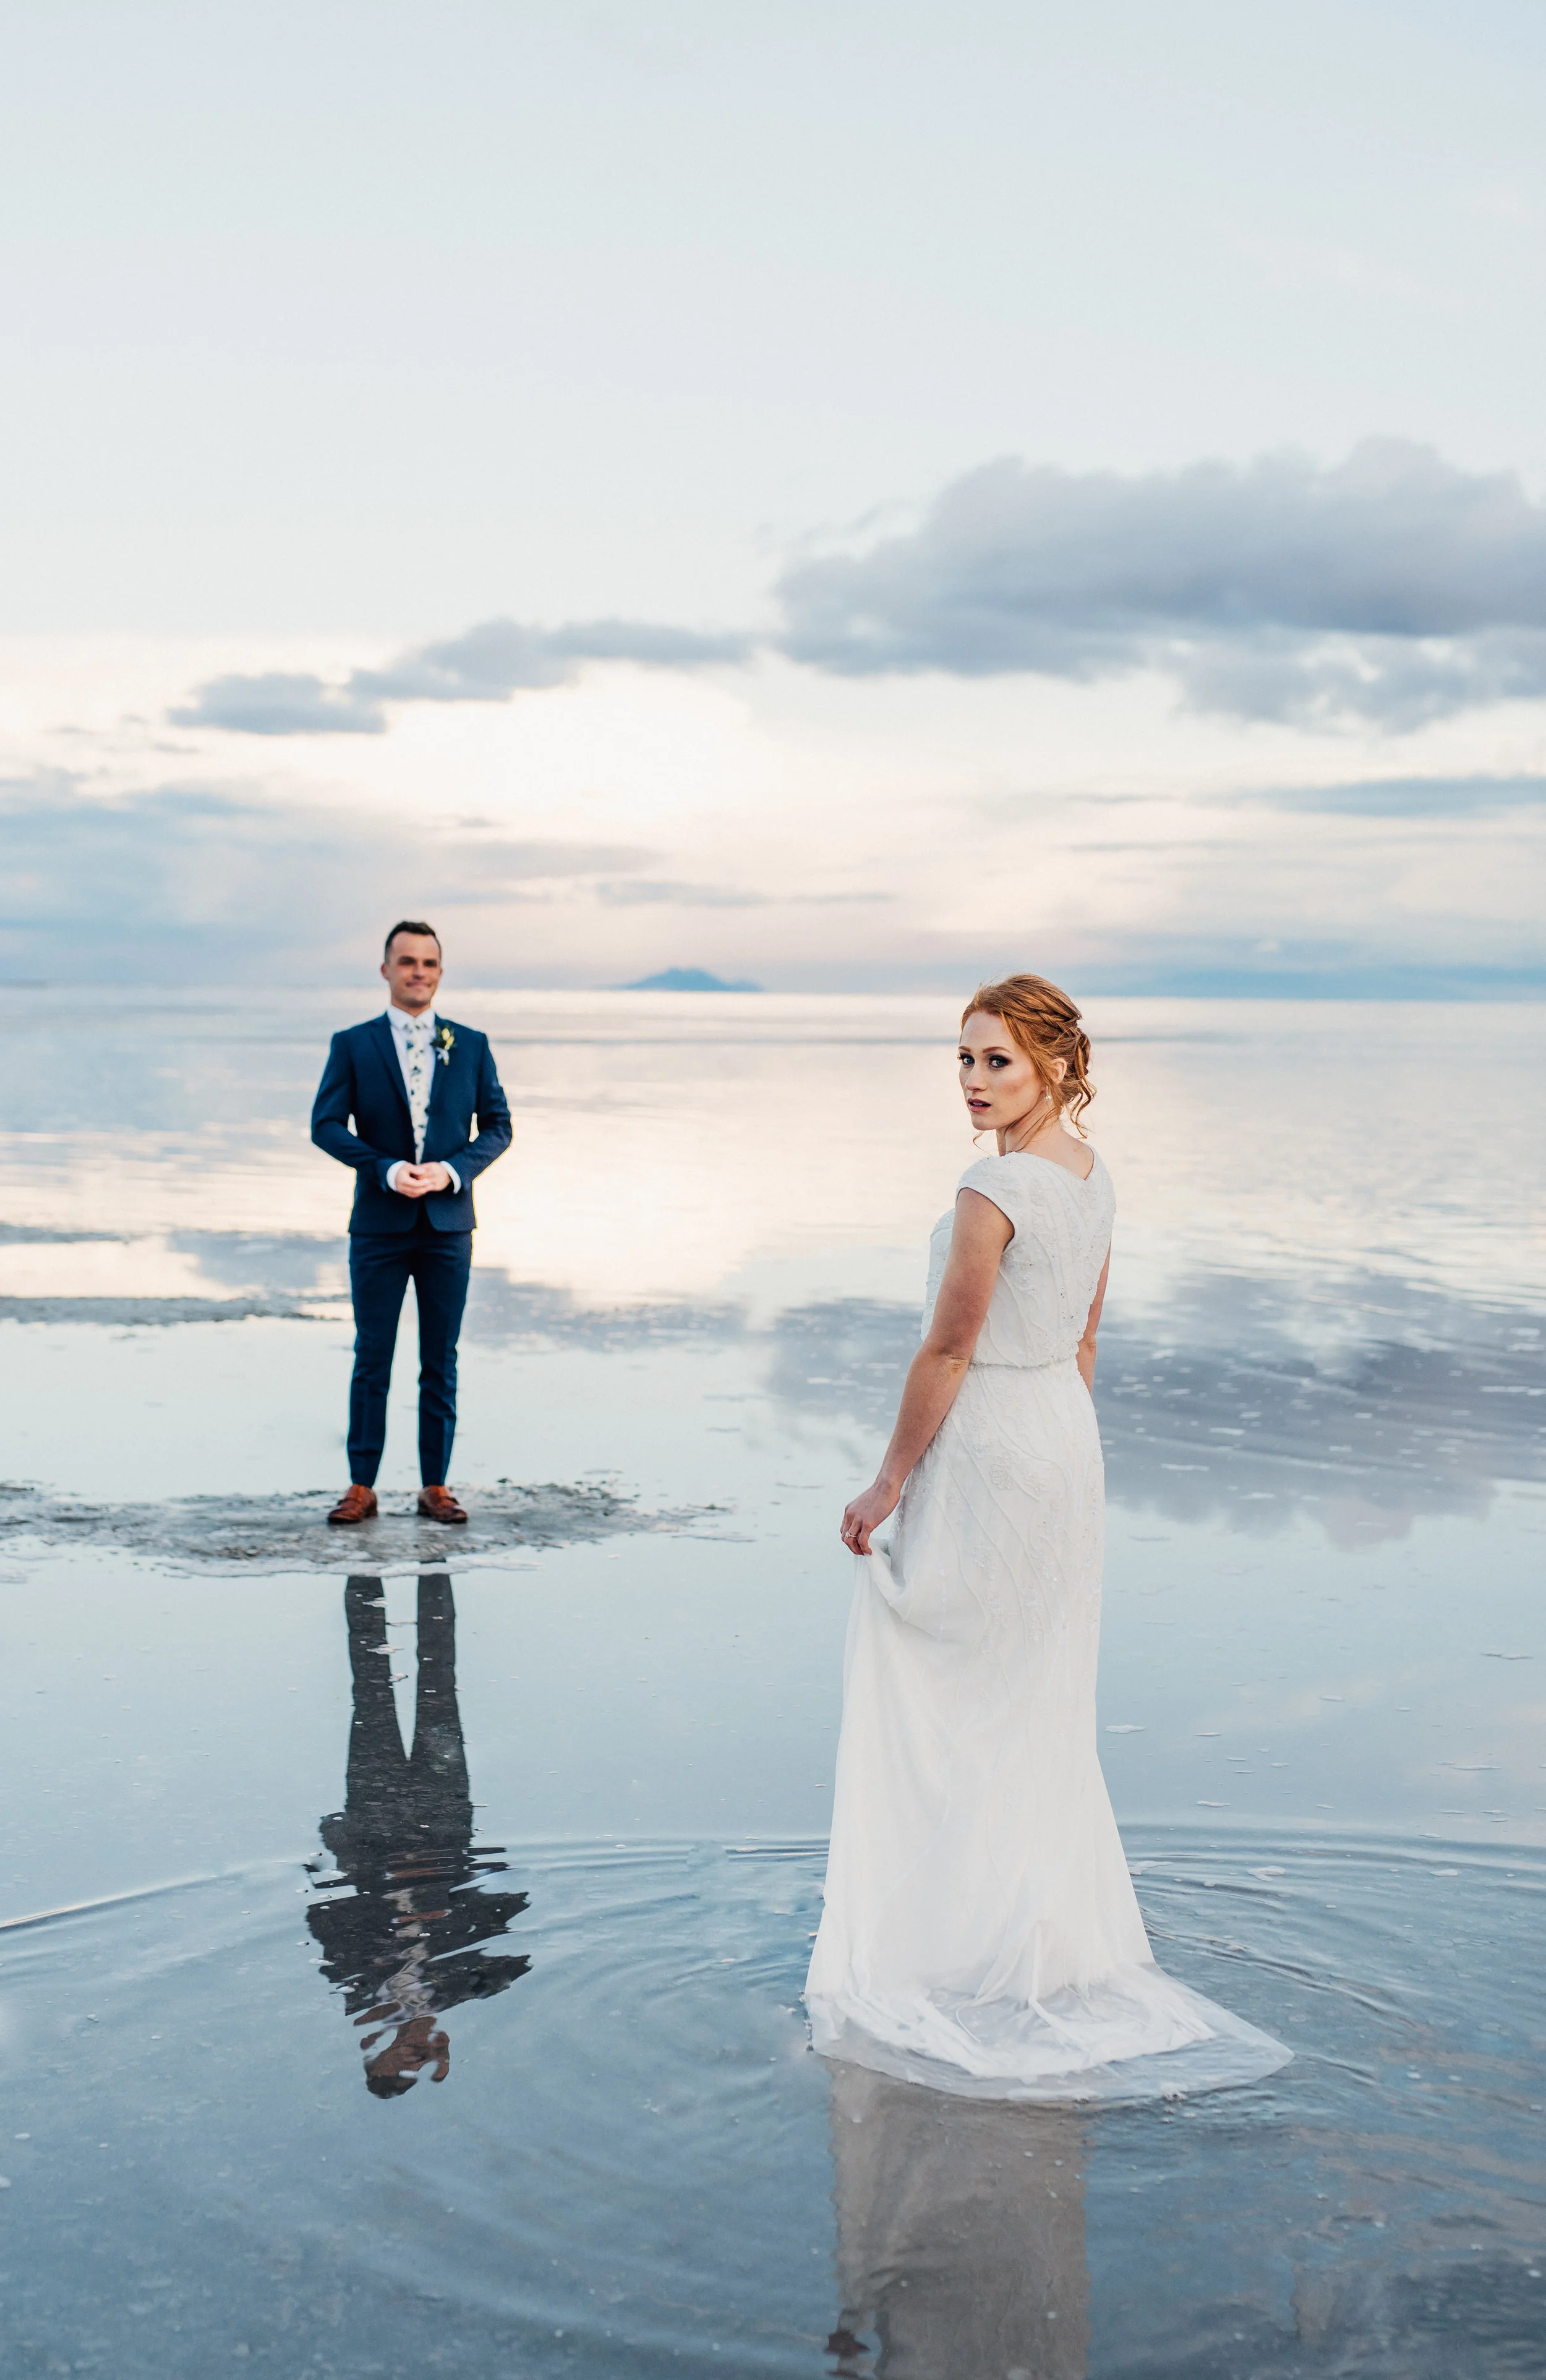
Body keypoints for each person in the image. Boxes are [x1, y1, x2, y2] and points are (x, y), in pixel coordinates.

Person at [806, 974, 1289, 2099]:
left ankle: (954, 1947)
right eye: (964, 1060)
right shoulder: (1093, 1173)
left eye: (997, 1062)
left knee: (956, 1692)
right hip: (1063, 1444)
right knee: (1034, 1698)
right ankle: (1018, 1942)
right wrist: (1056, 1440)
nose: (973, 1082)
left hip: (988, 1446)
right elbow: (1084, 1338)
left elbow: (947, 1350)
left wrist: (888, 1480)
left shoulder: (996, 1186)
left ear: (1056, 1066)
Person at [311, 921, 511, 1525]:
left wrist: (452, 1171)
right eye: (406, 962)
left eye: (427, 963)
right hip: (377, 1224)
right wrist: (385, 1168)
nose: (417, 972)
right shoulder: (353, 1043)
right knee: (372, 1354)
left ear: (440, 973)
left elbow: (498, 1127)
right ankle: (361, 1486)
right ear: (386, 971)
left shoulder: (469, 1044)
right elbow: (326, 1125)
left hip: (448, 1225)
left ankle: (435, 1486)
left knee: (439, 1358)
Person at [307, 1574, 532, 2097]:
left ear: (374, 2051)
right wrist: (444, 1917)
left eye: (398, 2062)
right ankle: (434, 1569)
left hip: (376, 1819)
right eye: (419, 2064)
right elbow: (516, 1929)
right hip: (444, 1821)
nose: (414, 2056)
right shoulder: (469, 1983)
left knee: (371, 1689)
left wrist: (390, 1914)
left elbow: (323, 1909)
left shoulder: (352, 1979)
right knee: (439, 1684)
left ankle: (364, 1570)